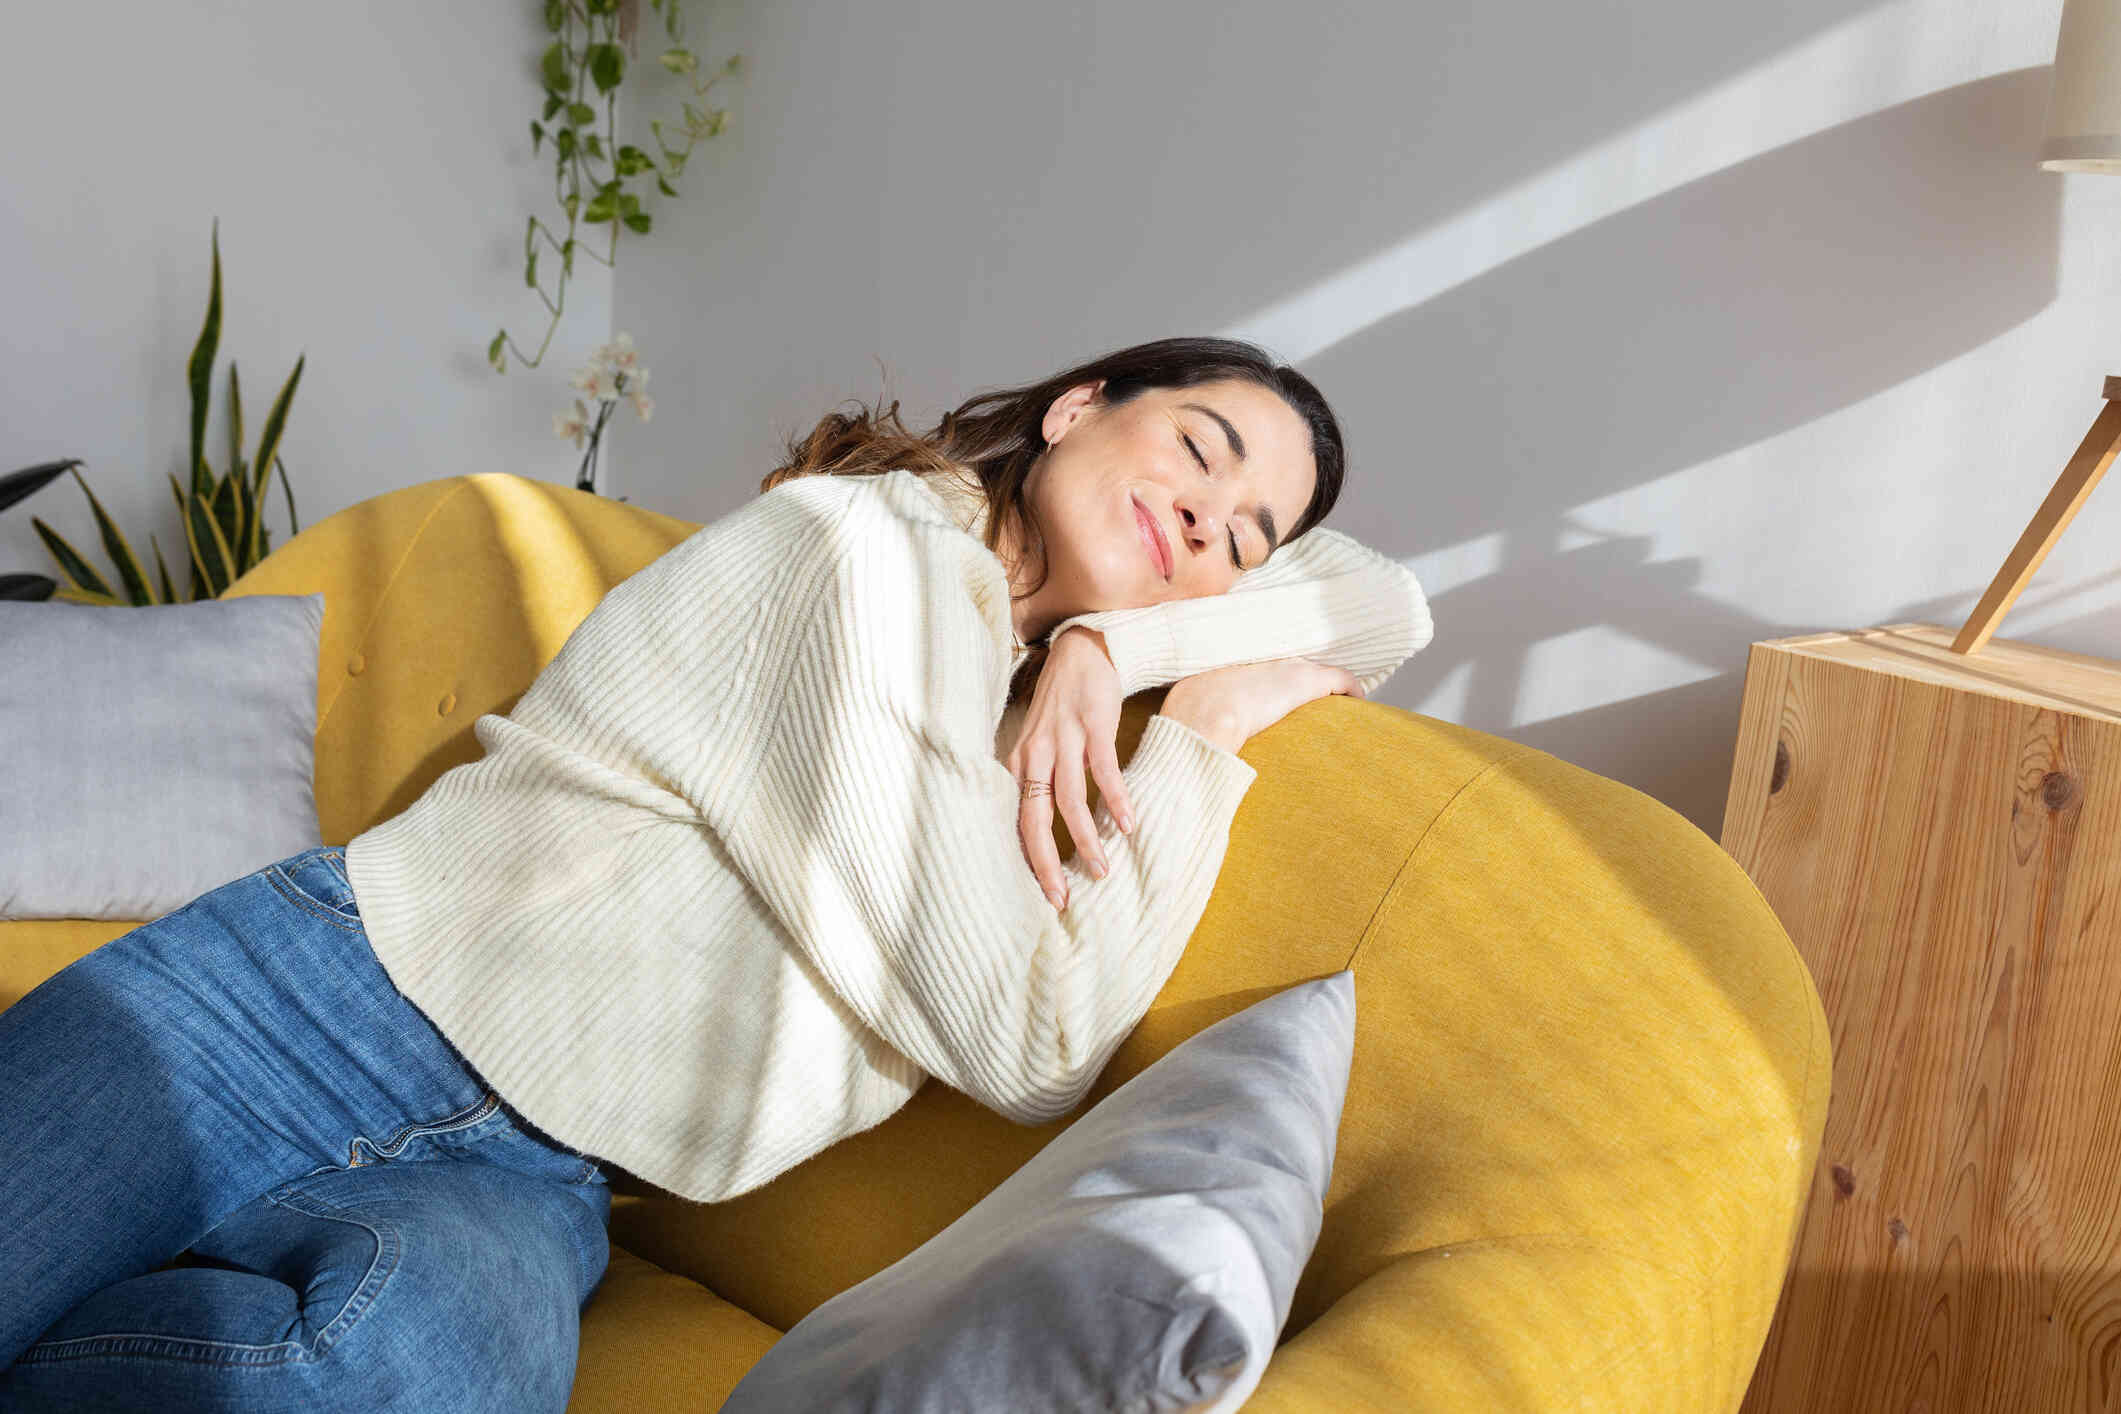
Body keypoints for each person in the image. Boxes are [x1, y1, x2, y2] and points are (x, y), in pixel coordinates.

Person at [0, 335, 1433, 1410]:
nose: (1211, 519)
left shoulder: (1021, 718)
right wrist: (1152, 677)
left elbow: (1384, 599)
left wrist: (1135, 664)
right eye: (1198, 449)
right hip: (304, 1007)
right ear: (1077, 408)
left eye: (1248, 538)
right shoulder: (861, 555)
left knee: (375, 1373)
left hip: (534, 1186)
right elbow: (1030, 1031)